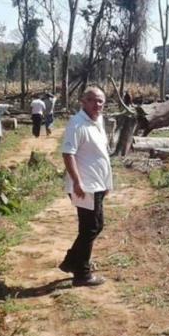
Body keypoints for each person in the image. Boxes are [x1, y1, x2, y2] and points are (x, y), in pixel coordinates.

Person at [58, 86, 112, 287]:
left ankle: (72, 261)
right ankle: (82, 273)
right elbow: (67, 153)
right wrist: (77, 182)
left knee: (96, 226)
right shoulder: (77, 124)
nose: (97, 104)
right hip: (84, 185)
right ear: (83, 101)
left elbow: (100, 153)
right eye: (93, 100)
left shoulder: (98, 121)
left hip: (97, 184)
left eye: (101, 101)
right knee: (89, 228)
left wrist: (107, 182)